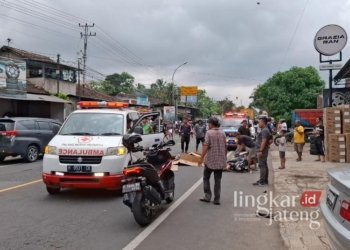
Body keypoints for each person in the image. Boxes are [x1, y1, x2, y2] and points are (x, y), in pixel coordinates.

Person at [198, 117, 227, 205]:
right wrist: (224, 158)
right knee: (217, 180)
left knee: (206, 177)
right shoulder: (222, 133)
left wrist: (201, 158)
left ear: (211, 124)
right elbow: (226, 147)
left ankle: (207, 196)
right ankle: (217, 199)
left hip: (210, 160)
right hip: (220, 160)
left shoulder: (209, 133)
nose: (208, 125)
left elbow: (206, 146)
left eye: (208, 123)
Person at [253, 117, 271, 186]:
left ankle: (262, 181)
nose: (258, 123)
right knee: (264, 165)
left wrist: (261, 150)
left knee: (262, 165)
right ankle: (264, 180)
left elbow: (264, 141)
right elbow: (269, 140)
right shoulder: (265, 130)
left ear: (263, 122)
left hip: (262, 151)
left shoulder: (264, 130)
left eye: (259, 122)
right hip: (264, 150)